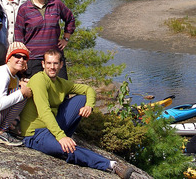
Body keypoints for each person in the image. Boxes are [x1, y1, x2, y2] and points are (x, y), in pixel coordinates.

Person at [19, 49, 140, 178]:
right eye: (48, 63)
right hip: (35, 134)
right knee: (66, 149)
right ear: (43, 64)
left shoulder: (61, 83)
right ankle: (111, 165)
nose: (52, 67)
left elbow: (88, 90)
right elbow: (44, 111)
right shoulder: (39, 80)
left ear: (61, 65)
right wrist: (61, 137)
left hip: (51, 127)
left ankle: (65, 138)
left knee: (81, 99)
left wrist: (89, 106)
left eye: (55, 63)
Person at [14, 0, 75, 80]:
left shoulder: (56, 4)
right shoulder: (24, 9)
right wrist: (23, 58)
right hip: (33, 60)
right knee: (35, 94)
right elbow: (19, 35)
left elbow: (70, 19)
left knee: (61, 93)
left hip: (54, 58)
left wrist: (66, 38)